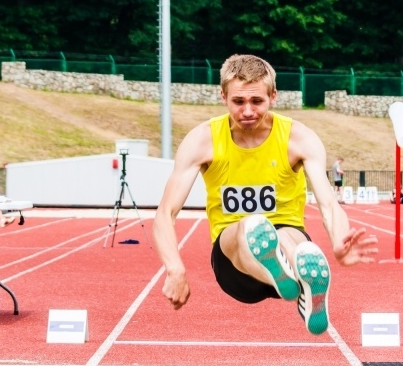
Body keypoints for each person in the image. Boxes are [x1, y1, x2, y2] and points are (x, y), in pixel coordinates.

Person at [152, 54, 378, 335]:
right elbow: (165, 213)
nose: (248, 111)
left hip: (286, 238)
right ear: (223, 97)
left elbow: (328, 203)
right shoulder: (203, 140)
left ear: (273, 96)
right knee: (251, 226)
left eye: (257, 101)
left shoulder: (298, 138)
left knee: (285, 236)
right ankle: (286, 276)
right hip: (234, 263)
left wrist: (339, 242)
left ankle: (296, 277)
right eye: (239, 102)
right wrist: (175, 268)